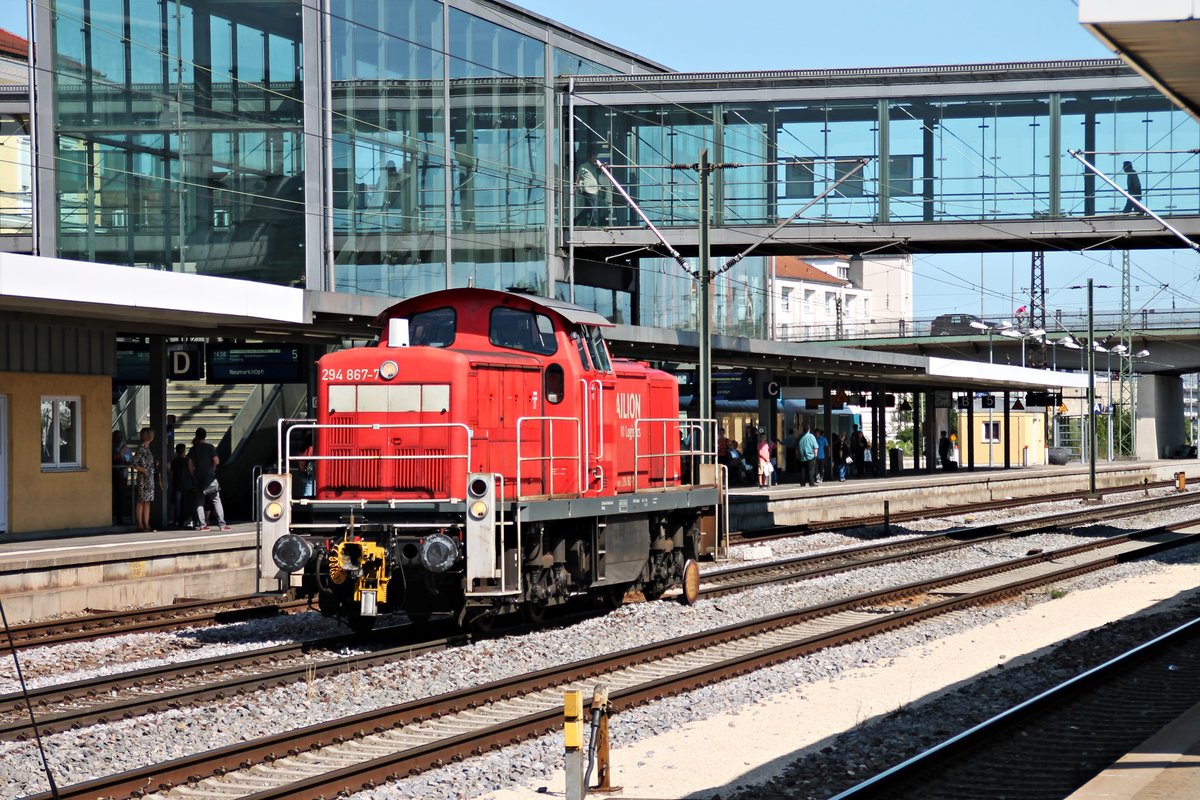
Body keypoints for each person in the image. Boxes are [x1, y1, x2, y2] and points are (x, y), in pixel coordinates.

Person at [188, 427, 230, 531]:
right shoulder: (210, 447)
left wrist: (193, 474)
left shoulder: (193, 449)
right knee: (216, 499)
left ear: (196, 436)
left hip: (198, 477)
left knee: (199, 501)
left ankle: (202, 525)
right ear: (205, 436)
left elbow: (189, 464)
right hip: (210, 477)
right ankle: (222, 525)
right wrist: (212, 466)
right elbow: (216, 461)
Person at [131, 427, 160, 532]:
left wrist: (154, 464)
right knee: (141, 501)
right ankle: (140, 524)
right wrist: (144, 471)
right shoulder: (141, 448)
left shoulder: (147, 449)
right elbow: (134, 463)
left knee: (147, 501)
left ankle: (146, 524)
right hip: (144, 479)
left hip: (149, 478)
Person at [169, 443, 194, 528]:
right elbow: (191, 472)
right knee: (186, 504)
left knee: (177, 504)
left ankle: (177, 521)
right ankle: (185, 520)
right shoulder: (188, 460)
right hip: (187, 485)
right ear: (184, 451)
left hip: (177, 484)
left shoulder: (174, 461)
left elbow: (171, 474)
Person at [112, 430, 132, 524]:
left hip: (122, 475)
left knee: (121, 496)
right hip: (111, 474)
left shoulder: (126, 449)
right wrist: (119, 455)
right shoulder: (110, 447)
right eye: (115, 436)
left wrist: (123, 459)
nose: (117, 439)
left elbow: (129, 462)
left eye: (119, 437)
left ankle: (120, 517)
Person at [575, 160, 600, 226]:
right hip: (588, 190)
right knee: (593, 207)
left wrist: (601, 185)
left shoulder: (593, 168)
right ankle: (594, 223)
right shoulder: (583, 166)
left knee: (588, 209)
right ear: (590, 157)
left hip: (594, 190)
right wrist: (575, 186)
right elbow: (578, 176)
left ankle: (576, 219)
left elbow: (593, 178)